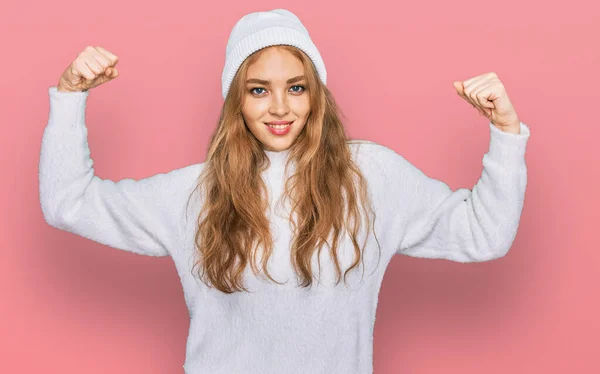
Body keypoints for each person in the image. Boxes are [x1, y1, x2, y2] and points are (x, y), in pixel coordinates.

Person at [39, 8, 531, 374]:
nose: (280, 107)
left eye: (296, 87)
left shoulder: (373, 179)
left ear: (316, 93)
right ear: (236, 99)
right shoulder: (196, 193)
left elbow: (484, 234)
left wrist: (506, 133)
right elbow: (69, 203)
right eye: (258, 90)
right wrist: (70, 97)